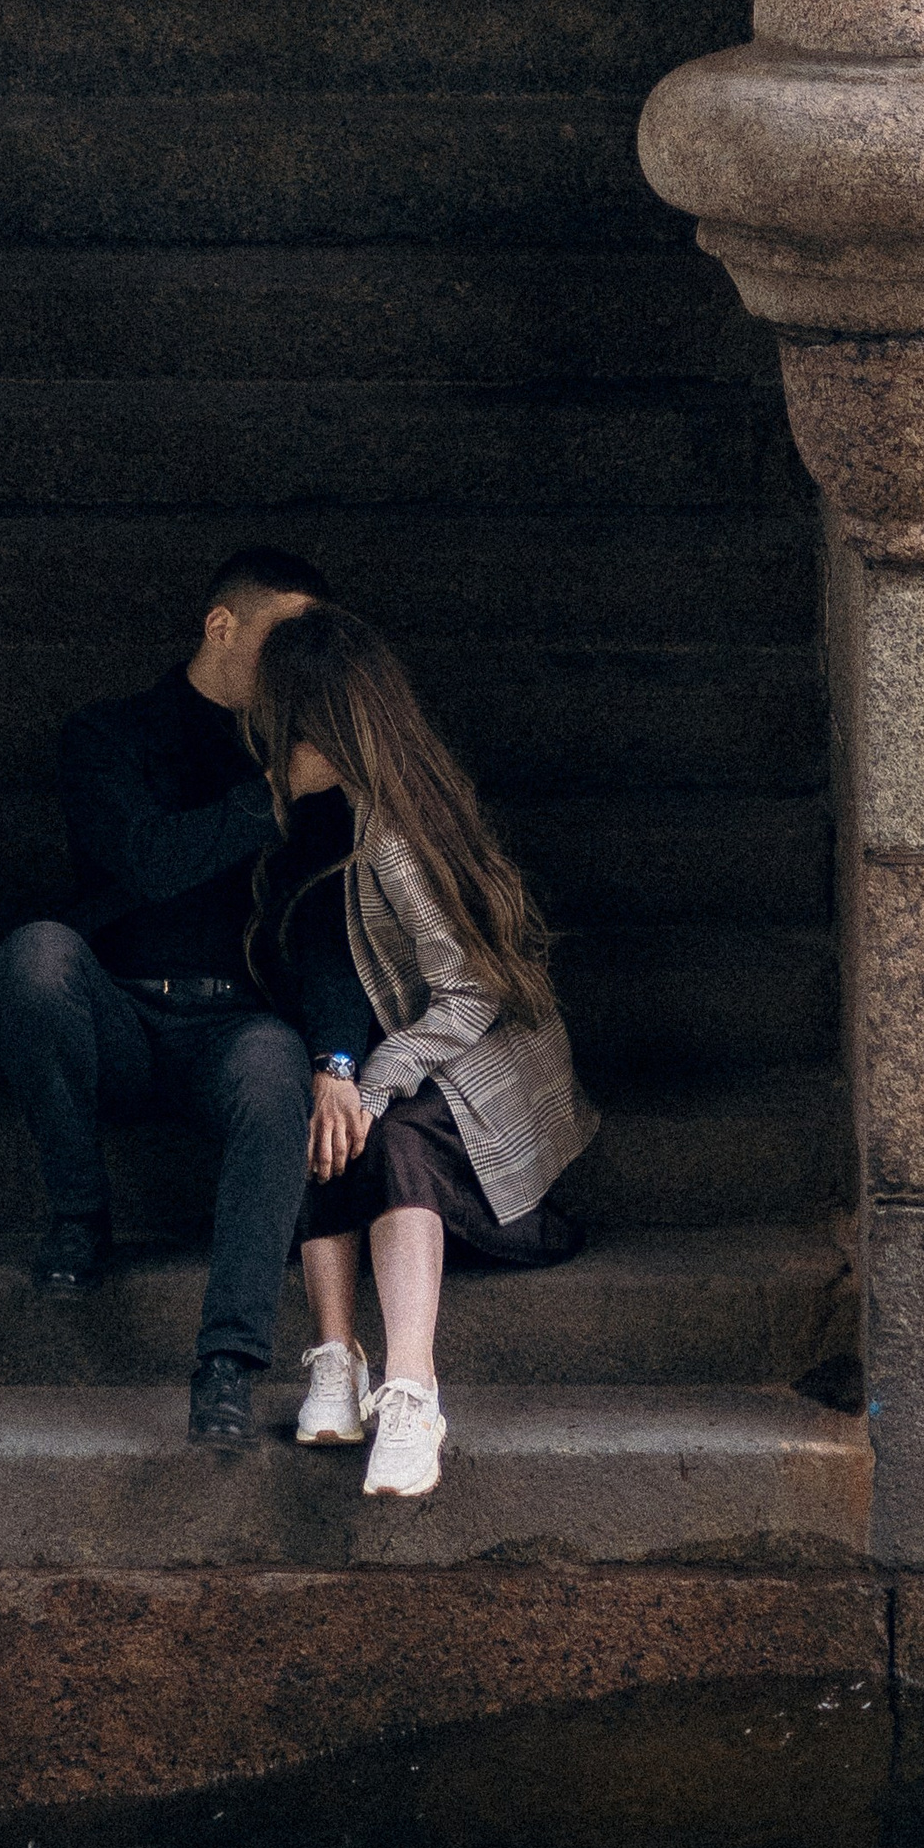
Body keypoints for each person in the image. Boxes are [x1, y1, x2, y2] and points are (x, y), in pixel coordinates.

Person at [0, 544, 343, 1450]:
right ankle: (79, 1212)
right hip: (120, 1016)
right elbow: (146, 861)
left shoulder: (311, 765)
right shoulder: (108, 737)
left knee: (276, 1071)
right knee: (34, 957)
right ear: (221, 628)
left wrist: (339, 1058)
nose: (296, 668)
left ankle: (228, 1368)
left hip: (238, 1026)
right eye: (280, 640)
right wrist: (271, 798)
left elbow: (337, 928)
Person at [244, 603, 598, 1502]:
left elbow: (474, 991)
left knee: (388, 1134)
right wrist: (341, 1078)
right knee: (320, 1115)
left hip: (478, 1079)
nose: (257, 732)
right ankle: (334, 1359)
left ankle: (411, 1391)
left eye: (274, 713)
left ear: (320, 725)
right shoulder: (320, 824)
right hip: (402, 1068)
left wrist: (376, 1079)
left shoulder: (395, 836)